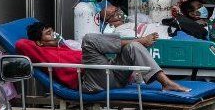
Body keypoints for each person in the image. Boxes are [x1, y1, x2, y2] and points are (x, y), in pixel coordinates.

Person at [17, 21, 187, 93]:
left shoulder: (64, 46)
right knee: (89, 39)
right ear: (38, 42)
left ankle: (166, 83)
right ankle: (139, 39)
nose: (53, 34)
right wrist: (37, 43)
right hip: (89, 82)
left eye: (52, 31)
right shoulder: (39, 51)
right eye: (48, 34)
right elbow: (20, 44)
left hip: (108, 74)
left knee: (133, 47)